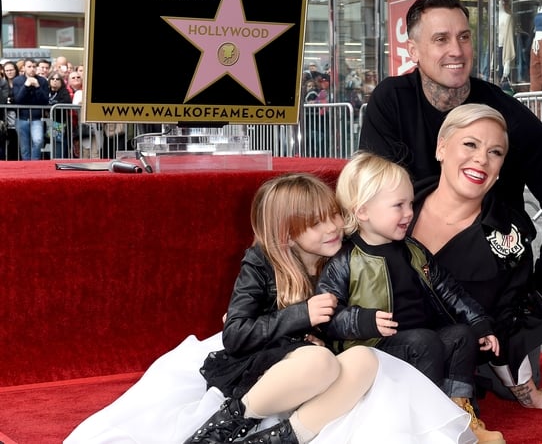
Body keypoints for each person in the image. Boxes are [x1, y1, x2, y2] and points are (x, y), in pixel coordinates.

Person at [65, 173, 476, 444]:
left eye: (333, 216)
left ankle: (282, 438)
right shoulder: (261, 263)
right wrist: (301, 315)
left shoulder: (343, 257)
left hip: (319, 369)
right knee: (317, 361)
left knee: (366, 362)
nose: (332, 227)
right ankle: (225, 428)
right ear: (286, 234)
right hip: (263, 368)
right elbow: (236, 333)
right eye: (316, 223)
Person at [359, 0, 542, 303]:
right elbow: (371, 194)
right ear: (413, 50)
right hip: (409, 285)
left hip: (491, 285)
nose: (456, 50)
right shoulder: (392, 101)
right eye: (441, 39)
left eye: (464, 37)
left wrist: (541, 289)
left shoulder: (507, 116)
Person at [318, 151, 504, 444]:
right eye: (399, 205)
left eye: (410, 204)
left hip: (420, 343)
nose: (409, 213)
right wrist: (363, 320)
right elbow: (326, 317)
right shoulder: (345, 260)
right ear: (363, 211)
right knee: (423, 341)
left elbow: (450, 291)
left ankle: (459, 413)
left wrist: (480, 324)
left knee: (460, 336)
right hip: (373, 351)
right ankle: (426, 424)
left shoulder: (414, 250)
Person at [407, 103, 542, 411]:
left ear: (500, 169)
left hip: (461, 350)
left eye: (495, 152)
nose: (482, 159)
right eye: (470, 144)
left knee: (506, 385)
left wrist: (529, 394)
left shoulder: (508, 236)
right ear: (441, 148)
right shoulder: (398, 201)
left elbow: (510, 316)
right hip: (389, 341)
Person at [12, 58, 49, 160]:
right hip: (22, 117)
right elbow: (18, 100)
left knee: (38, 140)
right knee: (24, 147)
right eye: (29, 66)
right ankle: (26, 165)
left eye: (34, 66)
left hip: (37, 118)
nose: (32, 69)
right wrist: (26, 86)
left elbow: (45, 101)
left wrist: (37, 86)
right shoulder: (17, 80)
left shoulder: (42, 81)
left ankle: (35, 162)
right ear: (24, 68)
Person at [46, 71, 73, 159]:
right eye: (53, 79)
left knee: (57, 145)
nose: (55, 81)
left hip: (58, 123)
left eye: (57, 79)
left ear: (61, 81)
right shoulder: (46, 91)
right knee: (46, 145)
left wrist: (52, 105)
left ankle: (56, 162)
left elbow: (67, 102)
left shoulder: (64, 91)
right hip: (45, 122)